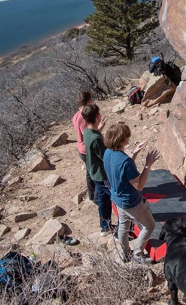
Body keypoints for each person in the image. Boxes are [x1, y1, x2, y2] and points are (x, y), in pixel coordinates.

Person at [103, 123, 160, 263]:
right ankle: (137, 255)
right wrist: (148, 164)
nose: (128, 138)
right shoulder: (125, 162)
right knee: (149, 226)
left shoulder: (107, 153)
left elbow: (121, 172)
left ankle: (126, 253)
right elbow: (139, 185)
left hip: (117, 198)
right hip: (131, 202)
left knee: (123, 225)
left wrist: (134, 153)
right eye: (126, 137)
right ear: (120, 139)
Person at [82, 103, 114, 236]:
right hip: (102, 175)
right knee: (116, 196)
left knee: (103, 199)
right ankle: (109, 226)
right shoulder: (96, 139)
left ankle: (104, 225)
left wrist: (99, 130)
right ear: (97, 117)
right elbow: (105, 156)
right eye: (99, 114)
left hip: (94, 172)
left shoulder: (87, 132)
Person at [72, 91, 103, 203]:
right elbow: (88, 134)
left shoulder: (75, 116)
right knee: (96, 173)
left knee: (89, 172)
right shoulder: (83, 117)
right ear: (89, 101)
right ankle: (96, 197)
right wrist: (99, 128)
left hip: (80, 147)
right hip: (87, 149)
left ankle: (91, 195)